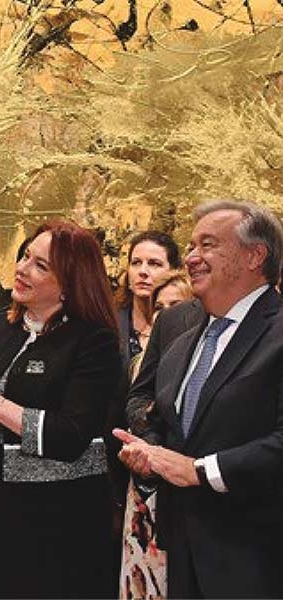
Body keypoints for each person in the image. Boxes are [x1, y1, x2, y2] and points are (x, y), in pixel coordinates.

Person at [0, 219, 122, 598]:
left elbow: (69, 436)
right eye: (25, 256)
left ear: (70, 283)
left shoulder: (94, 342)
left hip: (63, 517)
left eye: (41, 265)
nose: (22, 269)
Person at [115, 200, 283, 598]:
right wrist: (150, 457)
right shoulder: (182, 340)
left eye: (208, 245)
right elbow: (165, 424)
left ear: (255, 255)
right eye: (190, 246)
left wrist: (201, 470)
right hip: (183, 549)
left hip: (259, 556)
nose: (191, 257)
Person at [119, 271, 193, 600]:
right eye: (159, 306)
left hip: (188, 484)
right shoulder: (139, 360)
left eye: (175, 304)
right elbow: (134, 404)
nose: (165, 313)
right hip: (143, 484)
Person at [115, 231, 182, 368]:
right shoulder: (111, 324)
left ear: (174, 272)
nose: (143, 271)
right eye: (136, 263)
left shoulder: (186, 323)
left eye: (154, 264)